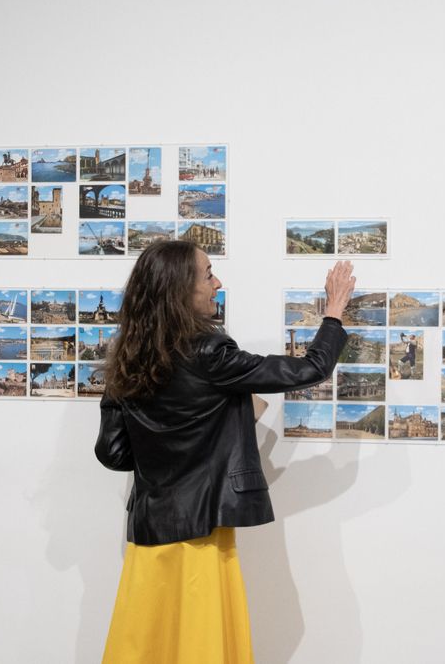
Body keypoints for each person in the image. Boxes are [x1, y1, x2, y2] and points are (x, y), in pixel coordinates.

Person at [94, 240, 355, 663]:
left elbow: (114, 452)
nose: (217, 283)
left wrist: (177, 445)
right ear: (181, 289)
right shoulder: (210, 352)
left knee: (146, 646)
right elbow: (309, 368)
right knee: (201, 646)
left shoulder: (128, 356)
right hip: (200, 536)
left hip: (149, 535)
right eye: (208, 274)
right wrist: (334, 311)